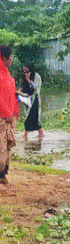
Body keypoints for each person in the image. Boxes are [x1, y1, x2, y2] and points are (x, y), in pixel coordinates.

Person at [0, 45, 19, 184]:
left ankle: (3, 173)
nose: (12, 59)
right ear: (4, 58)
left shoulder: (6, 74)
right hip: (2, 117)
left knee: (7, 146)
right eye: (10, 56)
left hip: (9, 116)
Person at [18, 64, 44, 140]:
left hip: (35, 99)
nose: (25, 72)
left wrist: (29, 80)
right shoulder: (25, 76)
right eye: (24, 70)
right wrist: (20, 91)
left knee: (31, 116)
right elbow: (26, 88)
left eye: (26, 70)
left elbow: (36, 88)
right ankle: (41, 132)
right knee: (32, 116)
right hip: (28, 98)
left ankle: (25, 135)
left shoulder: (36, 76)